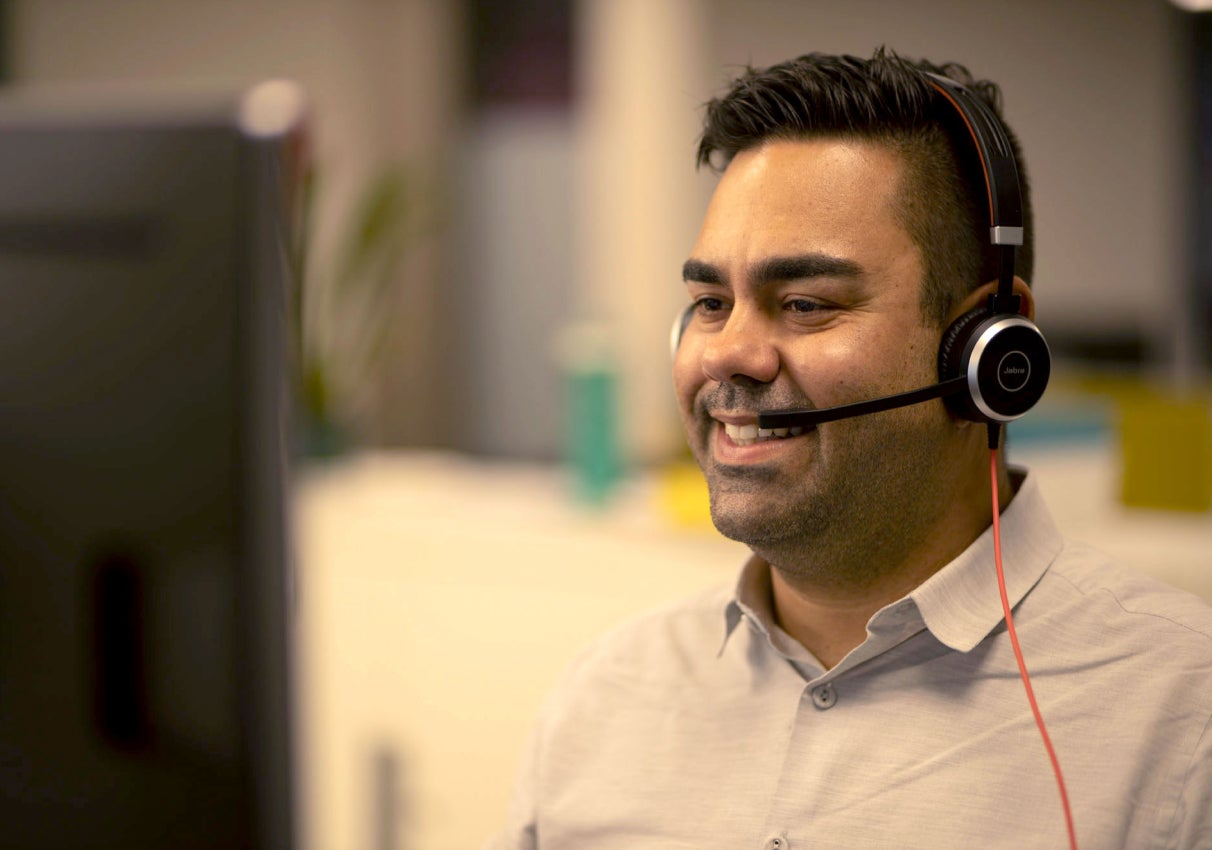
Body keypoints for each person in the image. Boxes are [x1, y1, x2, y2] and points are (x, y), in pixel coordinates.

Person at [487, 49, 1212, 849]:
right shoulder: (606, 699)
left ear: (989, 351)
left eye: (803, 304)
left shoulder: (1181, 720)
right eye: (709, 302)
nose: (730, 354)